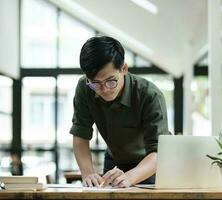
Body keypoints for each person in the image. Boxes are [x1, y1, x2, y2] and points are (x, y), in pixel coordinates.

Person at [70, 36, 169, 188]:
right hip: (113, 162)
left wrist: (130, 177)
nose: (103, 89)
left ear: (124, 69)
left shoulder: (150, 95)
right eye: (95, 83)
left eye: (111, 81)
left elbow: (159, 151)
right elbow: (80, 136)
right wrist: (88, 173)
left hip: (150, 166)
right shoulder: (84, 87)